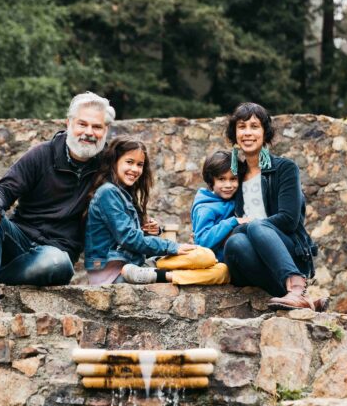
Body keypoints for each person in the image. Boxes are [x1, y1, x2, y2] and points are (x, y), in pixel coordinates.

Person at [0, 92, 114, 314]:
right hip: (19, 239)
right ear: (69, 123)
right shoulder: (42, 154)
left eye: (97, 127)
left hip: (57, 252)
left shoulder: (108, 166)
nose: (89, 132)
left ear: (106, 130)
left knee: (56, 264)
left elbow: (123, 203)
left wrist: (145, 223)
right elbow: (2, 189)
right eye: (82, 124)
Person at [84, 136, 229, 285]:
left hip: (136, 267)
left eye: (140, 164)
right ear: (114, 161)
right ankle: (158, 275)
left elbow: (130, 238)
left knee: (221, 269)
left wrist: (147, 231)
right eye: (129, 162)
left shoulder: (125, 194)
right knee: (205, 256)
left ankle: (163, 276)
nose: (135, 169)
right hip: (112, 272)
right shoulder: (107, 192)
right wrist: (173, 247)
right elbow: (129, 239)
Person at [222, 101, 324, 311]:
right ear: (234, 134)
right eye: (241, 127)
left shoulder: (284, 168)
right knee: (235, 244)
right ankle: (304, 300)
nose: (247, 133)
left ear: (265, 132)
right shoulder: (234, 177)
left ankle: (296, 288)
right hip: (250, 258)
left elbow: (288, 219)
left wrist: (246, 226)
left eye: (254, 126)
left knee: (256, 227)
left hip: (288, 252)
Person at [191, 150, 243, 261]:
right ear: (211, 181)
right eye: (221, 179)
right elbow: (202, 241)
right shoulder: (205, 208)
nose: (228, 185)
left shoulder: (236, 199)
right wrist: (233, 221)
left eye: (233, 179)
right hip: (216, 264)